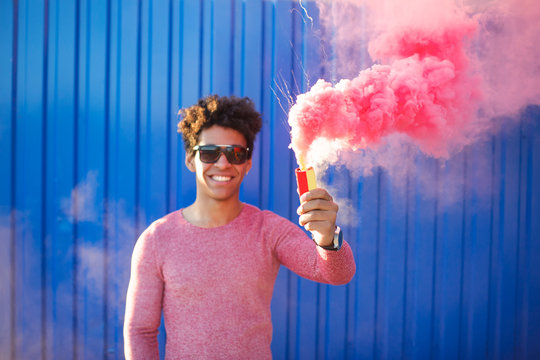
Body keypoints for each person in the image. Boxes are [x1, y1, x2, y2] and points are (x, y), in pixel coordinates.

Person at [123, 95, 356, 359]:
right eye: (210, 152)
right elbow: (140, 331)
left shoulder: (269, 231)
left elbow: (336, 274)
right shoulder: (157, 238)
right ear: (191, 159)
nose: (223, 164)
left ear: (248, 163)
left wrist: (327, 238)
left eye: (235, 153)